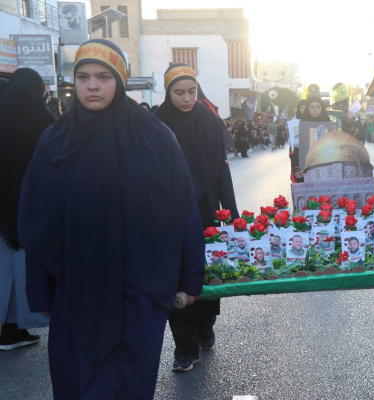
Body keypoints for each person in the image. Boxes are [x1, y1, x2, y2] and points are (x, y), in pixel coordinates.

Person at [18, 39, 205, 398]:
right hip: (76, 290)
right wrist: (40, 290)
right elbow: (39, 220)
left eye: (103, 77)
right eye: (83, 77)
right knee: (77, 382)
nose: (92, 85)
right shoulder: (54, 142)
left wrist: (191, 277)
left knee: (130, 384)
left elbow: (183, 210)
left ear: (119, 81)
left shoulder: (156, 138)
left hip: (140, 290)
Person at [154, 63, 240, 372]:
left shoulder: (210, 120)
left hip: (206, 211)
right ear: (168, 92)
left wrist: (232, 217)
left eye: (192, 91)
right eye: (179, 92)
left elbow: (221, 171)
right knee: (174, 277)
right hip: (168, 213)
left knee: (207, 273)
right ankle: (184, 347)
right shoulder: (156, 123)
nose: (187, 98)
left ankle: (205, 327)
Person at [0, 68, 55, 352]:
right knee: (25, 273)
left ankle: (10, 330)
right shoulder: (43, 120)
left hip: (2, 217)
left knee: (4, 273)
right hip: (32, 211)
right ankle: (17, 326)